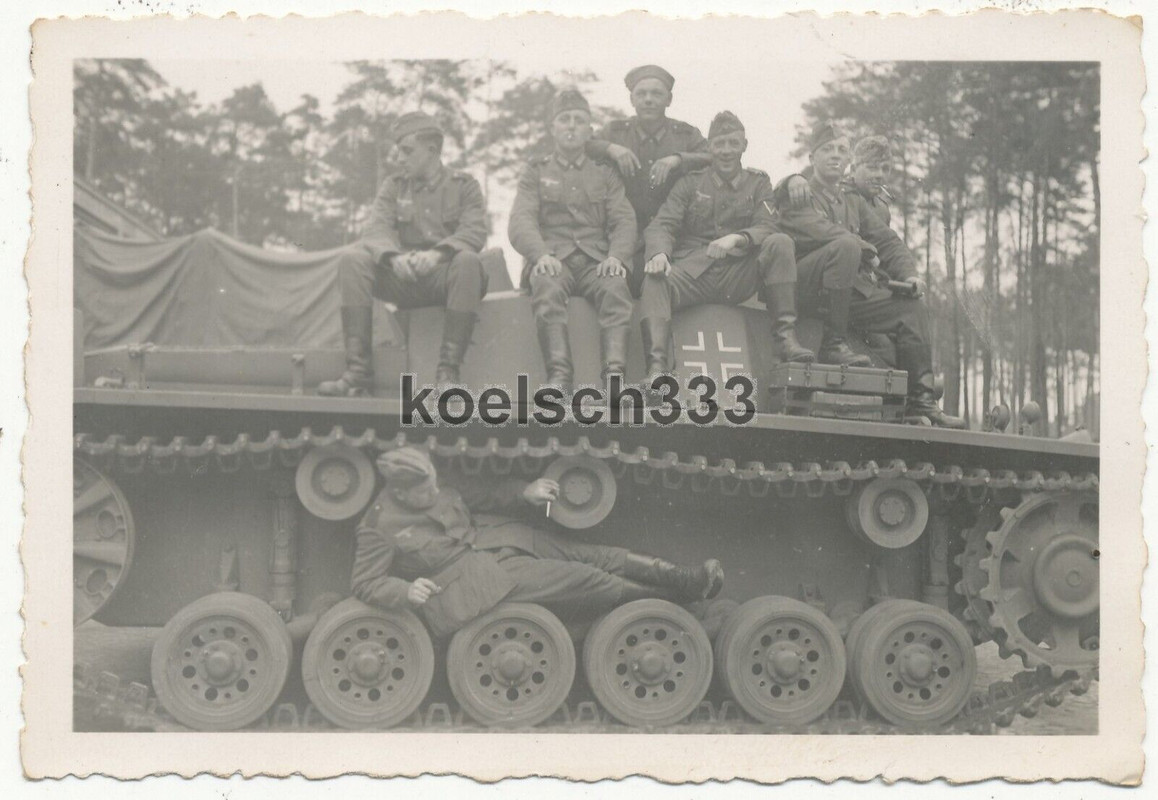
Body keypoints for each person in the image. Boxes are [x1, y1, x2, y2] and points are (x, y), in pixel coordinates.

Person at [351, 447, 725, 639]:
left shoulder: (430, 478)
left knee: (596, 555)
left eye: (435, 484)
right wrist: (404, 591)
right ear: (400, 491)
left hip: (498, 538)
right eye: (425, 491)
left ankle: (686, 579)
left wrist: (524, 491)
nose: (435, 492)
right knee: (588, 579)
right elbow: (365, 582)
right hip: (476, 580)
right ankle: (679, 604)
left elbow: (481, 493)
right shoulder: (379, 525)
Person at [774, 123, 966, 428]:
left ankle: (921, 402)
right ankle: (833, 344)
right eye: (828, 149)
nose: (836, 156)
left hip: (845, 294)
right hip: (806, 288)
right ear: (812, 157)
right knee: (847, 245)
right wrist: (861, 245)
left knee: (911, 309)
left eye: (841, 150)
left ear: (849, 158)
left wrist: (910, 273)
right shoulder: (799, 191)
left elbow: (888, 240)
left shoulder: (853, 201)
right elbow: (814, 228)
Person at [318, 112, 487, 396]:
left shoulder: (464, 186)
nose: (398, 158)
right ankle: (358, 372)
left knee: (468, 261)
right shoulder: (394, 187)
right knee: (352, 260)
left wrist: (437, 255)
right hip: (405, 277)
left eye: (407, 150)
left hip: (447, 280)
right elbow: (375, 230)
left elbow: (474, 232)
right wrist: (393, 258)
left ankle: (447, 375)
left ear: (432, 150)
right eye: (398, 150)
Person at [637, 111, 815, 380]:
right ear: (709, 147)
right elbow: (663, 223)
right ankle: (657, 368)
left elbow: (768, 225)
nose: (726, 151)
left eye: (733, 143)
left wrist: (738, 238)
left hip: (738, 275)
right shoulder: (690, 182)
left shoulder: (758, 183)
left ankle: (786, 339)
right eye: (719, 144)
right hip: (695, 274)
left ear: (744, 145)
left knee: (780, 242)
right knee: (654, 280)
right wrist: (660, 253)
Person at [508, 89, 637, 392]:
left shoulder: (605, 174)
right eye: (564, 120)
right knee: (546, 285)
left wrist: (616, 258)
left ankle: (614, 380)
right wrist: (539, 256)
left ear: (589, 131)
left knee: (616, 287)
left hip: (595, 262)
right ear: (552, 128)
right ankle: (559, 378)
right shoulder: (535, 171)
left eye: (579, 120)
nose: (571, 126)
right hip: (554, 259)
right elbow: (520, 220)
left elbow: (624, 219)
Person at [585, 65, 712, 287]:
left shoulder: (686, 134)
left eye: (656, 93)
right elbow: (585, 145)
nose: (648, 100)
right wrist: (611, 149)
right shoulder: (615, 132)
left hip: (673, 238)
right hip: (624, 238)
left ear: (669, 99)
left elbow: (712, 156)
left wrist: (678, 159)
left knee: (669, 283)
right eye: (641, 94)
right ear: (632, 99)